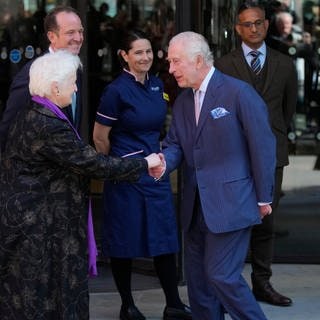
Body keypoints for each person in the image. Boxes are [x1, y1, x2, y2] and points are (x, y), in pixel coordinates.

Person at [0, 50, 161, 320]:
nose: (76, 88)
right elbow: (94, 164)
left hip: (39, 228)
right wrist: (145, 163)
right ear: (54, 87)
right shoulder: (47, 124)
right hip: (41, 232)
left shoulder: (34, 112)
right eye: (72, 82)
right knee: (43, 300)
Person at [153, 31, 276, 319]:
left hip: (232, 203)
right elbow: (175, 145)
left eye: (175, 62)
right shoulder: (183, 101)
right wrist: (162, 162)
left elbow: (263, 146)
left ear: (198, 60)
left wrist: (264, 196)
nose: (170, 69)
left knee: (222, 275)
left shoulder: (238, 93)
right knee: (199, 287)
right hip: (195, 208)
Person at [93, 30, 192, 320]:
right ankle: (128, 306)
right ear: (124, 56)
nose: (145, 57)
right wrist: (120, 164)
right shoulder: (115, 91)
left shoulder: (158, 85)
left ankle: (173, 304)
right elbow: (100, 138)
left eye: (148, 51)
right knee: (124, 242)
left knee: (164, 239)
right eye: (138, 52)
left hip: (155, 174)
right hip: (126, 176)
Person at [214, 1, 297, 307]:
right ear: (238, 29)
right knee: (235, 221)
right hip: (234, 154)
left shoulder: (284, 64)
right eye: (247, 24)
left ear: (266, 24)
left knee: (266, 222)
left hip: (271, 154)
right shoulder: (223, 65)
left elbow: (288, 110)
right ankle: (230, 286)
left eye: (259, 23)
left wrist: (270, 139)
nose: (254, 28)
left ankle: (262, 283)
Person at [0, 5, 84, 153]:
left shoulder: (75, 68)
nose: (78, 38)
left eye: (80, 31)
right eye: (71, 32)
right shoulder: (32, 73)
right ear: (52, 37)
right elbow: (9, 127)